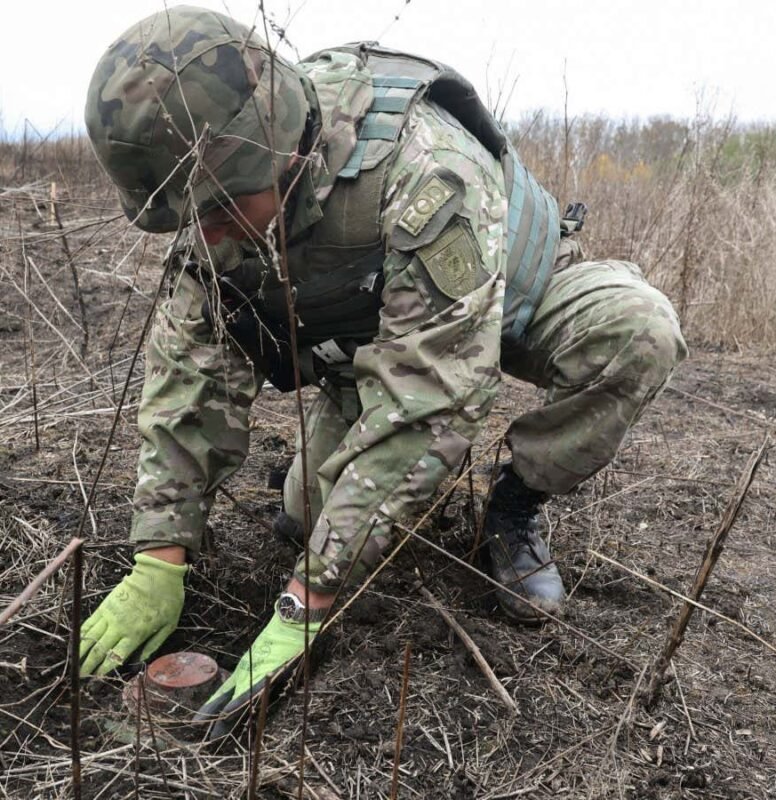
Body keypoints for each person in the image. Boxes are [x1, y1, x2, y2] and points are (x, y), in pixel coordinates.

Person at [78, 5, 687, 736]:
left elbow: (433, 401)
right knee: (309, 516)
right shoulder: (223, 214)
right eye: (186, 218)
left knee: (639, 332)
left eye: (217, 209)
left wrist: (309, 599)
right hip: (383, 335)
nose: (204, 233)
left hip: (519, 291)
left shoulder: (426, 172)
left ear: (277, 151)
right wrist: (160, 555)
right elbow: (188, 380)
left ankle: (517, 504)